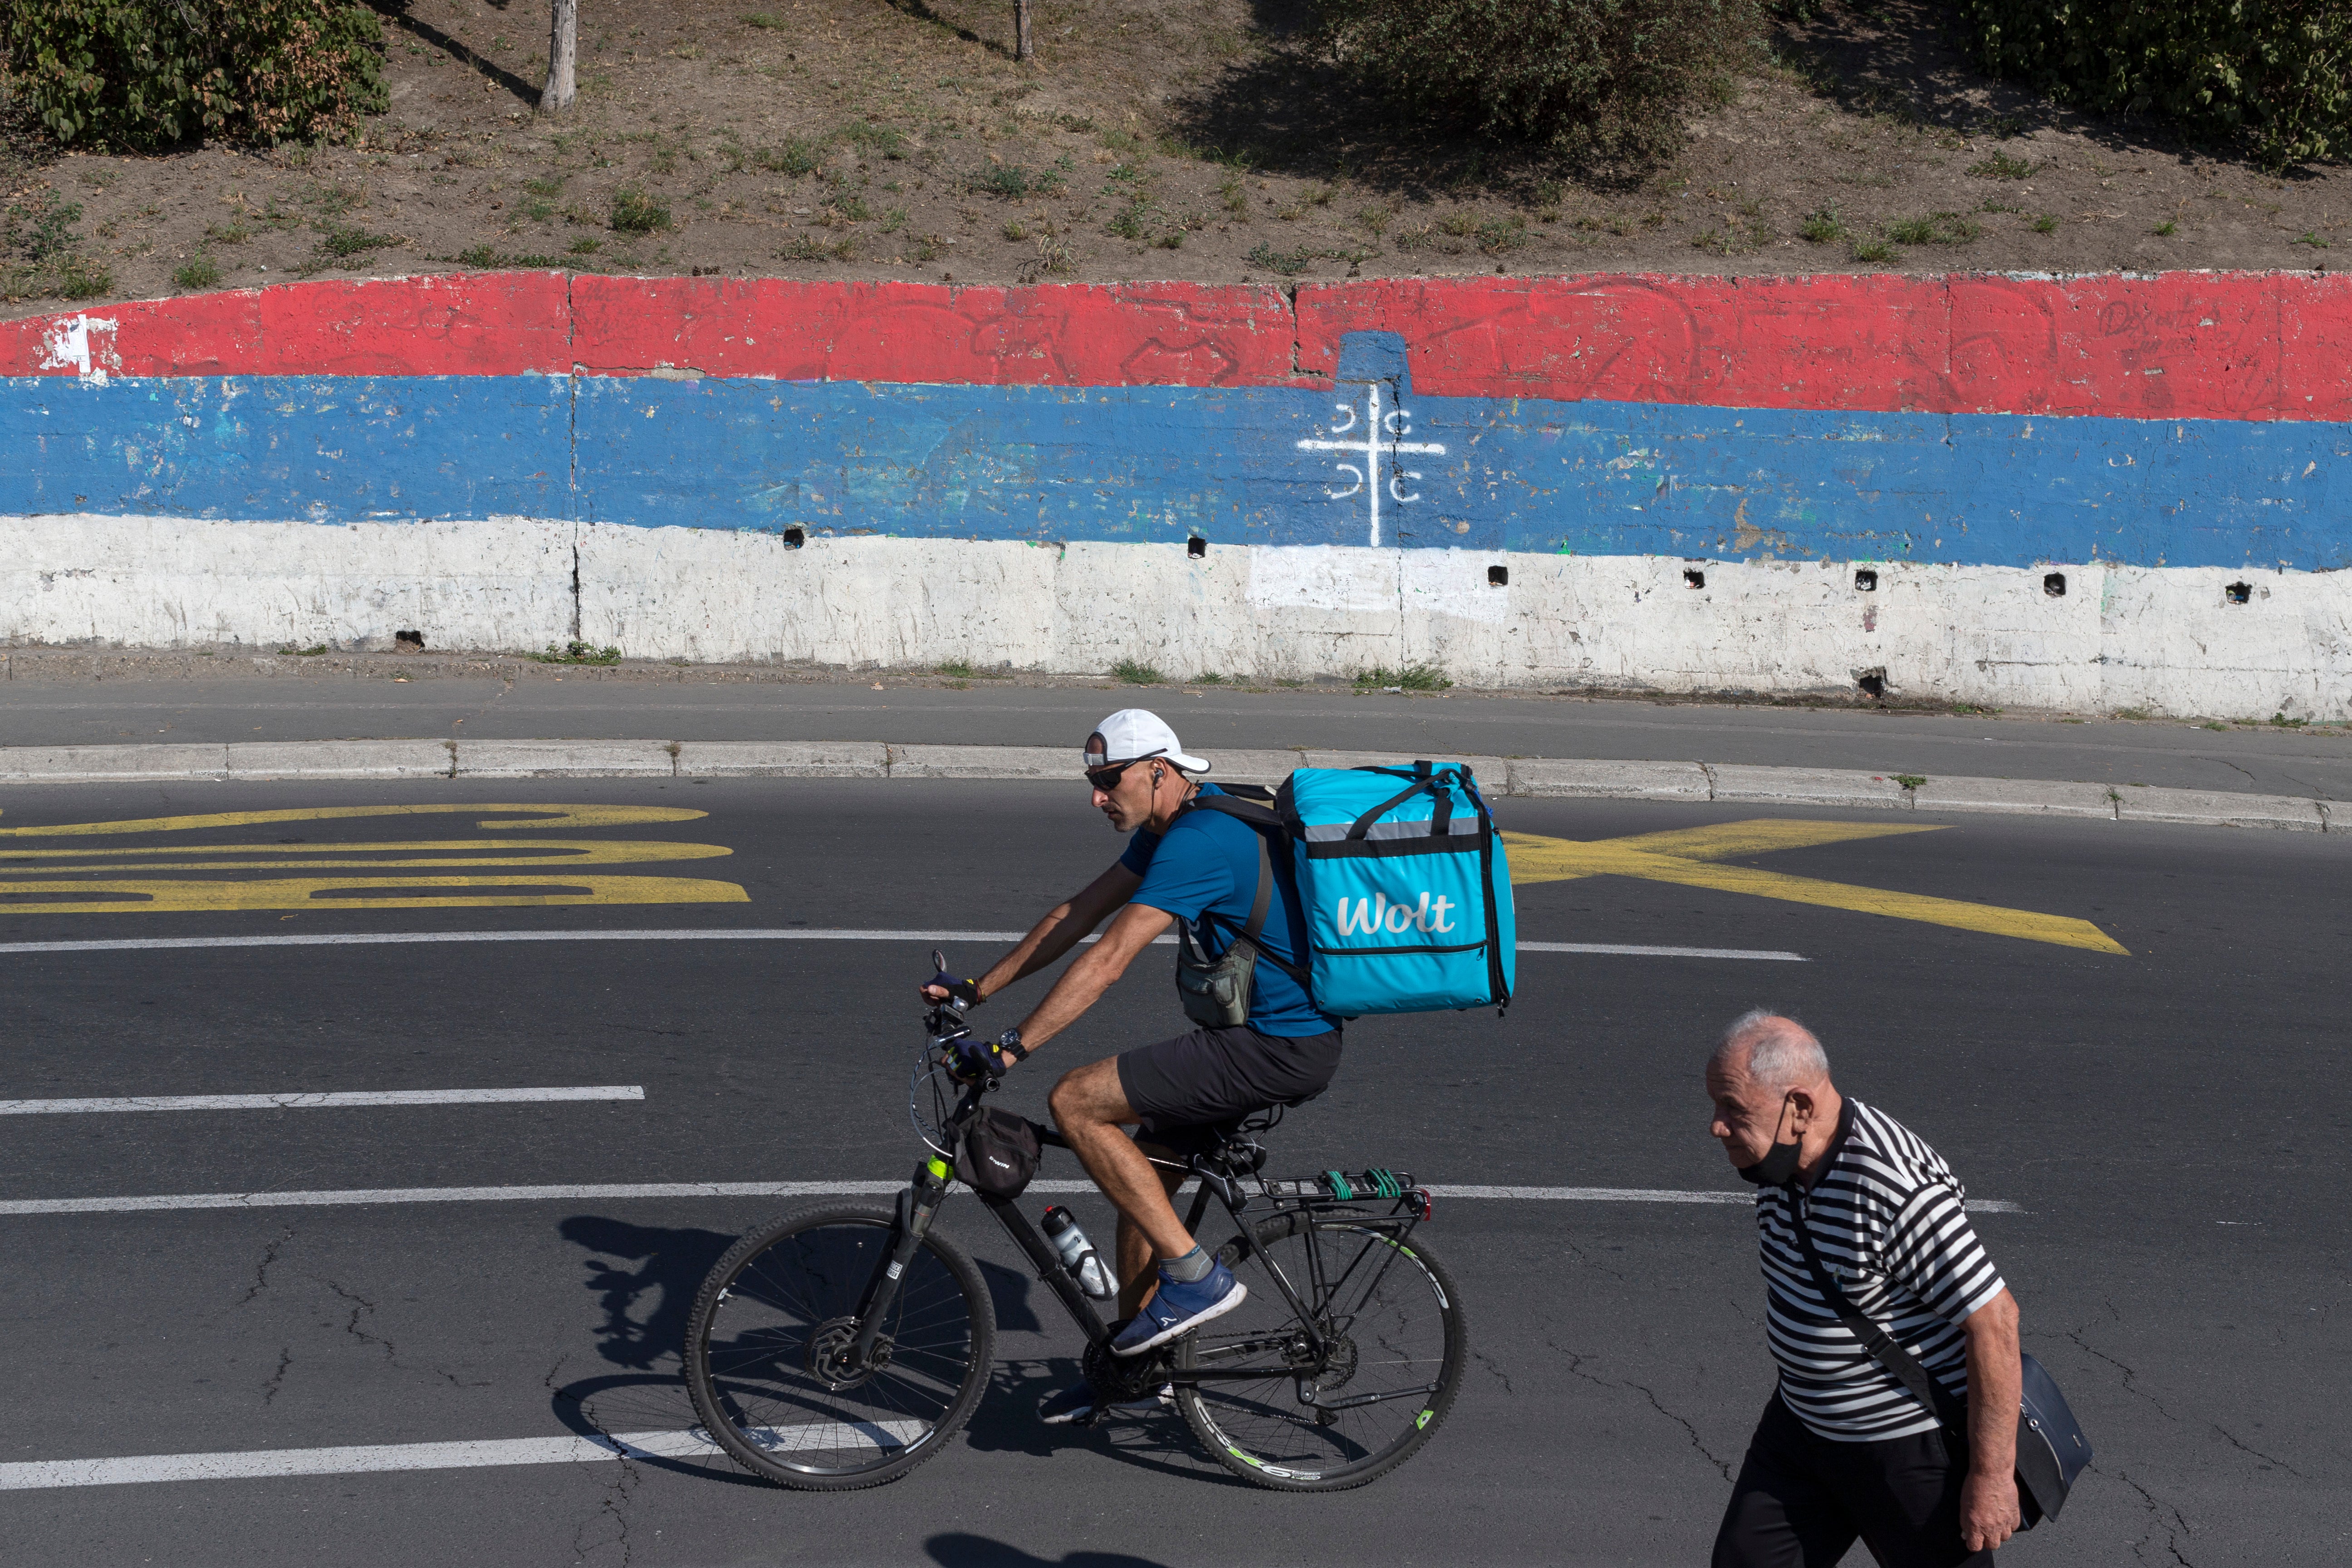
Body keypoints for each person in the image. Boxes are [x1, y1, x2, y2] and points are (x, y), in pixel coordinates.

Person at [918, 709, 1343, 1426]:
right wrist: (976, 990)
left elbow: (1110, 958)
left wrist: (1011, 1048)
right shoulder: (1175, 826)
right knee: (1141, 1182)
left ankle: (1197, 1281)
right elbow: (1077, 913)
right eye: (1092, 782)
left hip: (1275, 1045)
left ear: (1158, 770)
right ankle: (1139, 1368)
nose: (1096, 797)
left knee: (1078, 1101)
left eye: (1107, 780)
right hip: (1264, 1038)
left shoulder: (1201, 841)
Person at [1705, 1009, 2024, 1568]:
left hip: (1905, 1452)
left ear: (1799, 1108)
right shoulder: (1781, 1160)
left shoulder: (1895, 1188)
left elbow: (1996, 1323)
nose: (1717, 1125)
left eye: (1734, 1108)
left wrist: (1992, 1478)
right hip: (1802, 1434)